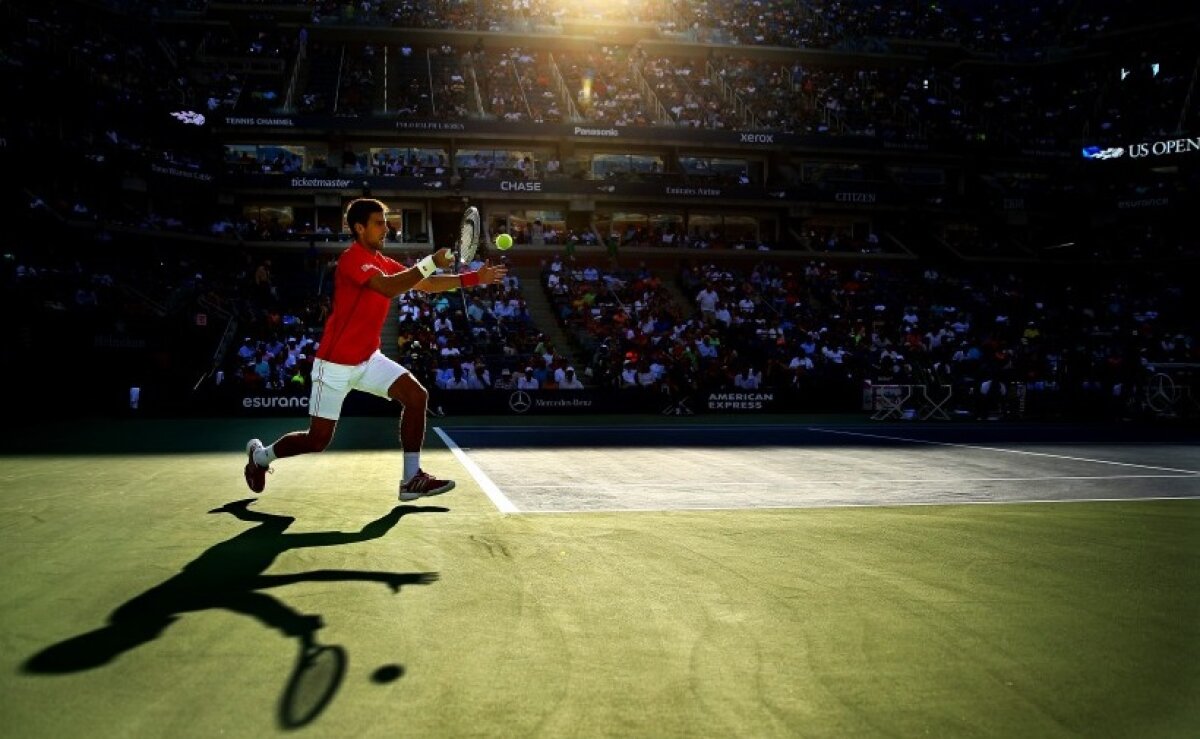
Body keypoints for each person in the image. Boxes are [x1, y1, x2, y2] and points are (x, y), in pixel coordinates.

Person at [243, 198, 507, 501]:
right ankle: (261, 458)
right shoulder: (351, 259)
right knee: (317, 440)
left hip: (368, 359)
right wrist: (431, 261)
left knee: (416, 396)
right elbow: (388, 288)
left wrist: (476, 278)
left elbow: (426, 285)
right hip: (334, 366)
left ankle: (411, 479)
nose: (387, 228)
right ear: (359, 228)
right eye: (379, 223)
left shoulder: (383, 261)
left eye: (386, 221)